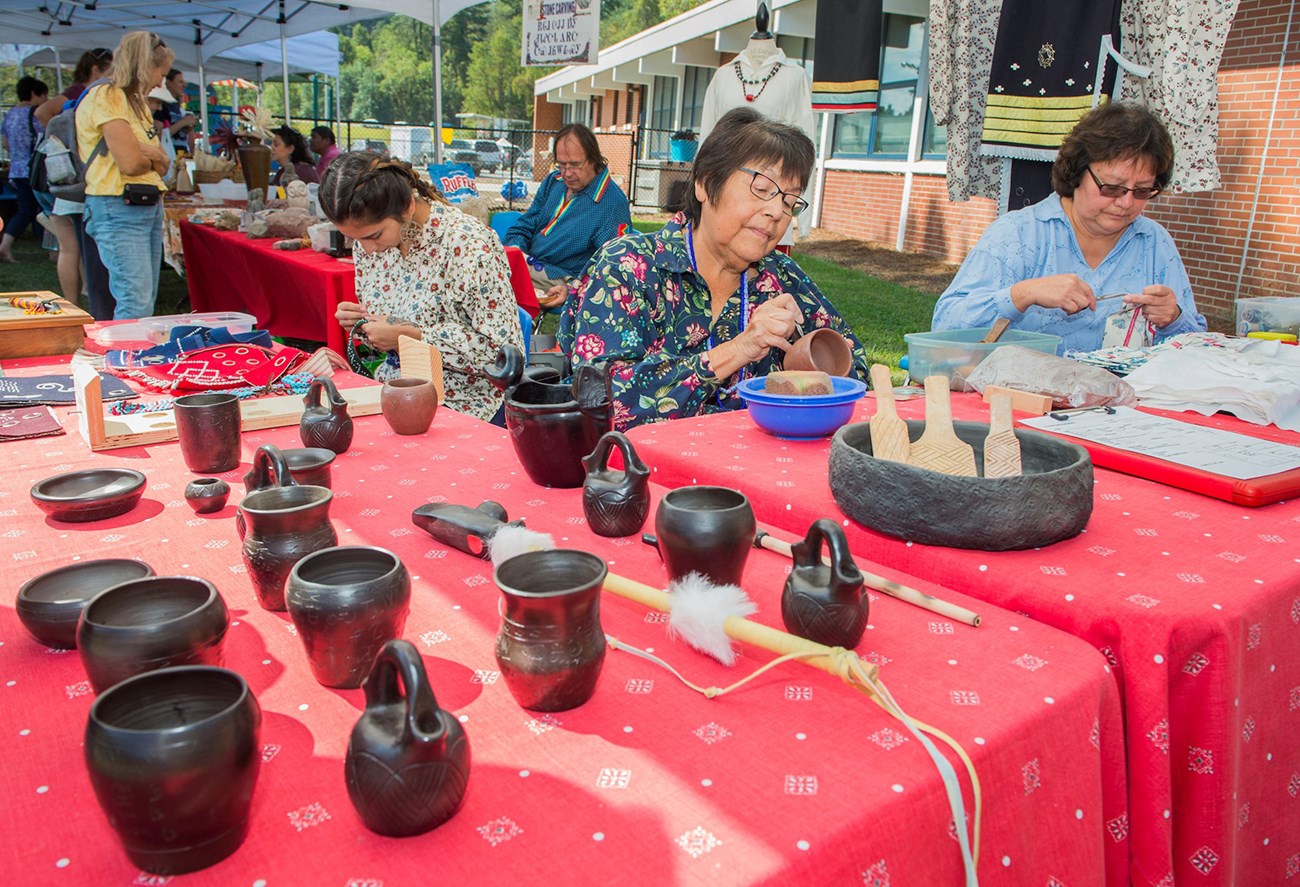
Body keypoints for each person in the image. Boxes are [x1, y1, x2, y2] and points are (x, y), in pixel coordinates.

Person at [559, 108, 869, 430]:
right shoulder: (629, 266)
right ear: (705, 184)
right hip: (641, 473)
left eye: (790, 201)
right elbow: (605, 401)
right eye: (762, 189)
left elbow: (858, 372)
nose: (777, 211)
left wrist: (809, 362)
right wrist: (739, 349)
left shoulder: (781, 277)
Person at [932, 103, 1207, 353]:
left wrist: (1173, 318)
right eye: (1112, 187)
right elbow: (944, 326)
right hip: (1023, 399)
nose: (1125, 202)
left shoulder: (1154, 242)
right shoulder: (1018, 233)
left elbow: (1198, 348)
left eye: (1143, 191)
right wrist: (1023, 294)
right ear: (1077, 172)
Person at [319, 153, 524, 423]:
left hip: (467, 405)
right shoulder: (370, 245)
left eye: (374, 235)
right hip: (394, 392)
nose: (367, 249)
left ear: (407, 206)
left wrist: (413, 336)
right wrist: (367, 326)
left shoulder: (467, 244)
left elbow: (504, 357)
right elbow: (393, 325)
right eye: (354, 239)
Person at [76, 31, 174, 320]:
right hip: (117, 205)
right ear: (146, 66)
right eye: (161, 73)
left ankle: (133, 359)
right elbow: (131, 163)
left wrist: (155, 155)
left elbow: (163, 163)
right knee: (135, 302)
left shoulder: (137, 103)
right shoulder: (106, 96)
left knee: (143, 301)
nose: (160, 83)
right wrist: (153, 157)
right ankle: (124, 362)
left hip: (146, 204)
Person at [503, 123, 631, 310]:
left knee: (488, 274)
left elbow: (614, 270)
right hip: (528, 265)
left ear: (593, 160)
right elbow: (525, 225)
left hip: (562, 278)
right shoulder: (554, 182)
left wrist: (572, 289)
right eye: (561, 165)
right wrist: (515, 250)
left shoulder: (611, 203)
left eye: (575, 165)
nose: (567, 173)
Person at [0, 76, 49, 263]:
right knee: (42, 210)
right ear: (34, 94)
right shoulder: (37, 115)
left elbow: (5, 142)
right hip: (36, 171)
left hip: (17, 170)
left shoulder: (10, 114)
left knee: (28, 208)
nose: (46, 100)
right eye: (44, 95)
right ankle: (5, 246)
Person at [35, 47, 112, 126]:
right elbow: (42, 112)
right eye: (111, 72)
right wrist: (63, 134)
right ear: (95, 70)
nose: (114, 76)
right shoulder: (76, 91)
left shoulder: (101, 92)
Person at [159, 69, 197, 155]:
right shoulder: (161, 107)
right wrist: (182, 123)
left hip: (182, 154)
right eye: (180, 82)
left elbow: (190, 134)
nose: (184, 85)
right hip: (169, 155)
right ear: (169, 83)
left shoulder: (178, 108)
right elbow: (160, 135)